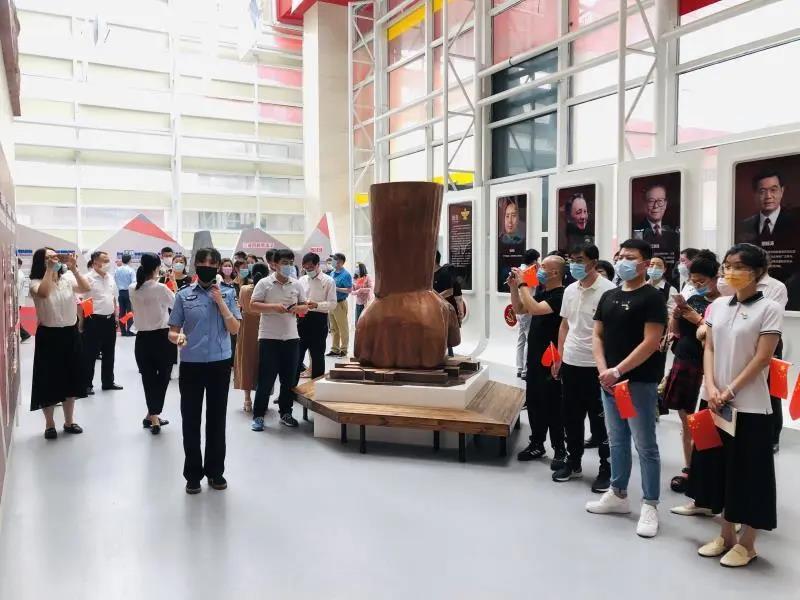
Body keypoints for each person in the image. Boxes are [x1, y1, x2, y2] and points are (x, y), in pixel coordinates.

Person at [686, 243, 782, 568]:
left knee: (749, 473)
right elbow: (710, 347)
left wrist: (729, 390)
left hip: (749, 405)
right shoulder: (719, 306)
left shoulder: (769, 308)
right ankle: (725, 535)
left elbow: (763, 357)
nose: (730, 272)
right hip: (714, 401)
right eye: (727, 265)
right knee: (717, 467)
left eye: (738, 266)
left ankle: (748, 543)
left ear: (757, 272)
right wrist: (712, 387)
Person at [586, 238, 667, 539]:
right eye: (620, 256)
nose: (622, 261)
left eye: (629, 257)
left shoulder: (652, 298)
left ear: (645, 263)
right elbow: (597, 335)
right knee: (616, 439)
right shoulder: (609, 296)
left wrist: (618, 370)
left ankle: (650, 504)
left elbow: (651, 341)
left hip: (638, 382)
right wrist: (603, 370)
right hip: (609, 383)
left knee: (645, 445)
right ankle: (618, 493)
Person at [169, 247, 241, 494]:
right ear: (196, 265)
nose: (207, 266)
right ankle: (192, 474)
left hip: (219, 364)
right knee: (190, 419)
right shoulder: (183, 295)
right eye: (203, 262)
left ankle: (215, 471)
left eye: (212, 263)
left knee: (216, 419)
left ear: (219, 266)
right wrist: (178, 338)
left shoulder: (229, 294)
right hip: (191, 364)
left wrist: (220, 302)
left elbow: (234, 329)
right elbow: (173, 330)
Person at [552, 244, 615, 491]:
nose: (574, 265)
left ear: (593, 262)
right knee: (571, 416)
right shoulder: (570, 290)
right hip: (571, 362)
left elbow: (612, 331)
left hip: (597, 366)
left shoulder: (609, 291)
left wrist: (609, 367)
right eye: (571, 260)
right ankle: (574, 461)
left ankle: (606, 468)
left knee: (601, 421)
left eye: (579, 260)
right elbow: (565, 325)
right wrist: (559, 357)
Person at [662, 251, 720, 496]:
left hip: (706, 366)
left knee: (704, 421)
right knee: (686, 420)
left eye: (701, 281)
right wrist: (676, 316)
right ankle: (689, 468)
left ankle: (704, 470)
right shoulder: (693, 297)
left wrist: (698, 320)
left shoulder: (723, 304)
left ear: (715, 278)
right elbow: (676, 331)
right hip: (684, 360)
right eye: (693, 280)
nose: (696, 285)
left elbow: (718, 338)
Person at [509, 255, 566, 466]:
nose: (538, 270)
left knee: (553, 406)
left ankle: (560, 449)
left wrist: (523, 283)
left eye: (543, 267)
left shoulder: (561, 295)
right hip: (534, 358)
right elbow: (520, 309)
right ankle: (537, 443)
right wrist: (514, 287)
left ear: (555, 273)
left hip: (551, 359)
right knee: (534, 402)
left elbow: (534, 309)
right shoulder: (543, 293)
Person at [29, 248, 91, 439]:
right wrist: (50, 270)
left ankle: (69, 421)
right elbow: (44, 293)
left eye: (55, 257)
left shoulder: (67, 280)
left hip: (70, 334)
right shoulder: (35, 282)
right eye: (48, 258)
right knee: (48, 379)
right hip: (49, 335)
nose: (53, 260)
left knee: (71, 377)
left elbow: (85, 288)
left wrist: (74, 269)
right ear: (41, 262)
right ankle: (49, 424)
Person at [249, 249, 307, 431]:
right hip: (269, 337)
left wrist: (299, 309)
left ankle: (286, 412)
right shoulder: (264, 283)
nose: (288, 266)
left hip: (291, 337)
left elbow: (304, 306)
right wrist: (274, 307)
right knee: (266, 379)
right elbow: (253, 305)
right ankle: (259, 415)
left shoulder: (297, 284)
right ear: (274, 264)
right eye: (284, 262)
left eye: (290, 263)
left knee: (288, 380)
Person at [129, 253, 175, 435]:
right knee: (163, 377)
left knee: (148, 379)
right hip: (162, 338)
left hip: (142, 339)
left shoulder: (133, 288)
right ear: (156, 267)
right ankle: (154, 416)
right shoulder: (160, 288)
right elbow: (176, 304)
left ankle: (151, 415)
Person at [83, 250, 123, 394]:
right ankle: (87, 384)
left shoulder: (110, 277)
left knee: (109, 352)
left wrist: (116, 316)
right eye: (104, 260)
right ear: (95, 263)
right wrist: (85, 320)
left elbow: (113, 298)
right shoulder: (87, 278)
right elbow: (83, 300)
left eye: (108, 260)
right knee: (90, 354)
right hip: (93, 320)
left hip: (109, 319)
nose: (108, 263)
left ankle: (108, 382)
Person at [234, 263, 268, 413]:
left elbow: (241, 305)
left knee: (246, 361)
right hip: (265, 325)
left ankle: (247, 399)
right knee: (265, 362)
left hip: (247, 325)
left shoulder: (244, 289)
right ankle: (263, 398)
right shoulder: (268, 290)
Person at [297, 253, 336, 380]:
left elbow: (332, 304)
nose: (308, 270)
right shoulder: (301, 280)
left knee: (317, 356)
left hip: (319, 320)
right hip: (301, 319)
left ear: (318, 265)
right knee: (297, 355)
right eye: (306, 267)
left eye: (311, 267)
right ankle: (290, 388)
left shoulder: (328, 281)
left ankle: (316, 387)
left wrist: (317, 305)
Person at [513, 249, 540, 378]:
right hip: (527, 308)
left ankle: (519, 368)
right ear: (534, 260)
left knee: (521, 339)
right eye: (537, 260)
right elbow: (532, 289)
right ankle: (525, 370)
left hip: (519, 308)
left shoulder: (519, 269)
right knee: (529, 339)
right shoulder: (529, 271)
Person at [433, 251, 463, 358]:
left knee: (446, 335)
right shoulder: (429, 276)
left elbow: (451, 291)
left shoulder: (445, 273)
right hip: (435, 310)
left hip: (445, 310)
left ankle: (447, 355)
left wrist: (433, 298)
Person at [327, 252, 353, 357]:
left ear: (340, 262)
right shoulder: (332, 273)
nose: (332, 261)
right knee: (333, 328)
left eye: (334, 259)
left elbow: (349, 290)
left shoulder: (346, 275)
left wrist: (336, 288)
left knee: (343, 328)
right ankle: (335, 349)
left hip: (340, 303)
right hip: (331, 303)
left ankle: (344, 349)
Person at [114, 253, 136, 336]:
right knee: (130, 312)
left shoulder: (117, 270)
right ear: (130, 260)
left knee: (122, 312)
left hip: (121, 292)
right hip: (129, 292)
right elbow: (133, 283)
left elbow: (115, 281)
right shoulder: (131, 270)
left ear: (122, 260)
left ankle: (123, 331)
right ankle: (129, 330)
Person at [16, 257, 31, 342]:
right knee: (16, 319)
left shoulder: (18, 274)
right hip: (18, 300)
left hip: (17, 301)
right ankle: (24, 334)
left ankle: (25, 334)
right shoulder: (19, 273)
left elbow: (17, 288)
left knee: (15, 319)